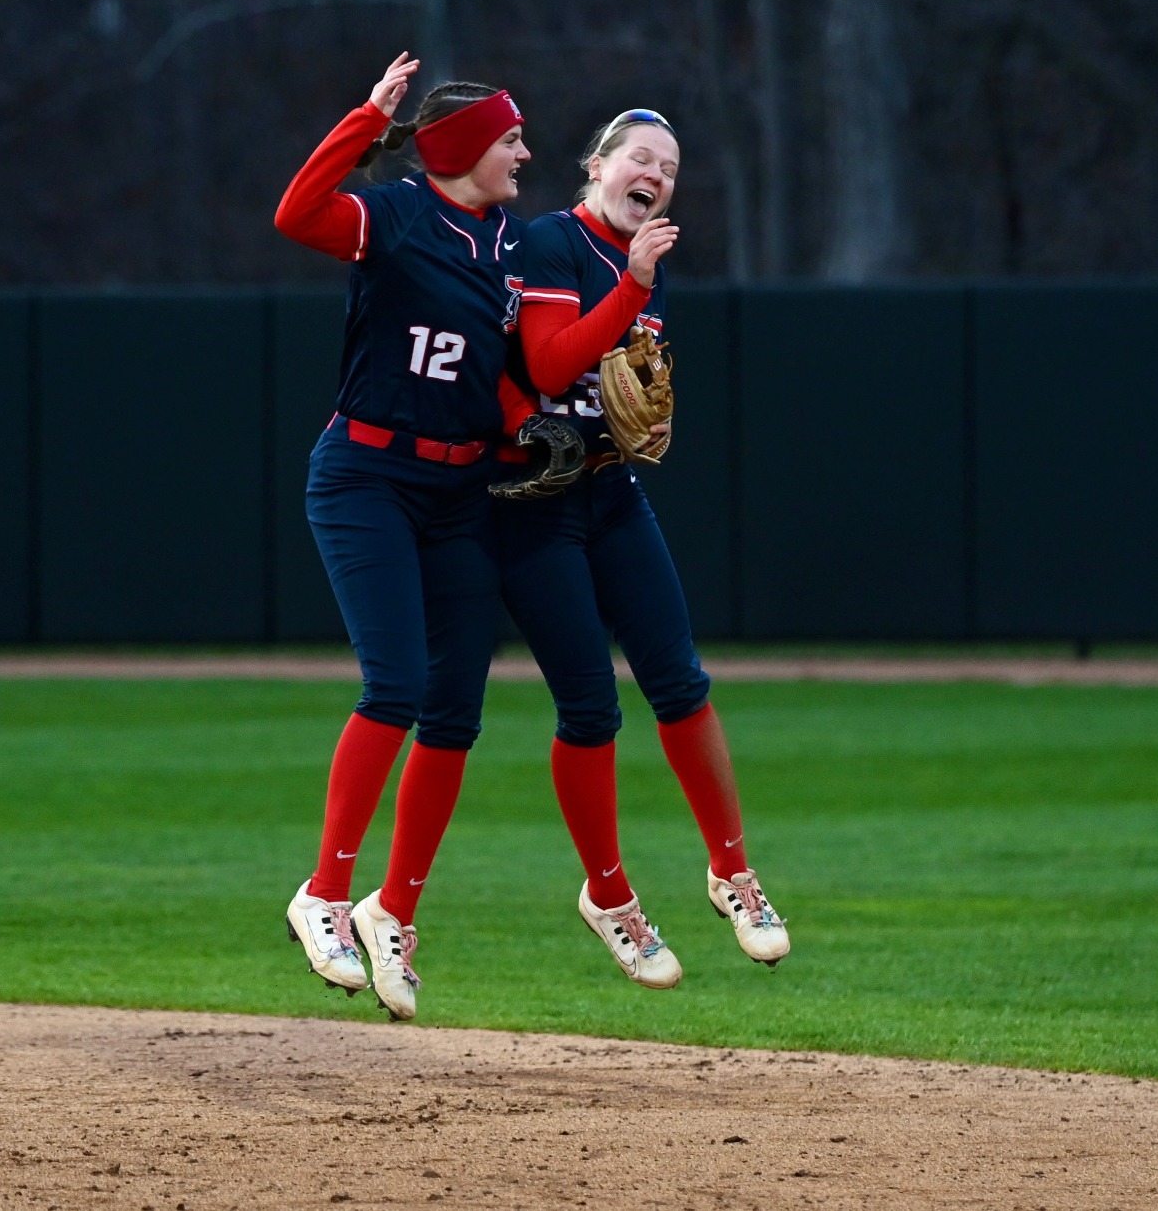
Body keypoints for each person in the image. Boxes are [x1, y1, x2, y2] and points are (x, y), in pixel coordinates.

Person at [496, 109, 790, 988]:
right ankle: (611, 897)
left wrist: (637, 301)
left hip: (609, 492)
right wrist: (630, 288)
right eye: (640, 158)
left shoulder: (644, 272)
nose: (656, 174)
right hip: (535, 505)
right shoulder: (553, 243)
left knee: (679, 680)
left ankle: (733, 872)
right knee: (591, 708)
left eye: (668, 166)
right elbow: (548, 369)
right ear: (597, 166)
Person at [273, 51, 534, 1022]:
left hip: (459, 486)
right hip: (367, 476)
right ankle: (325, 894)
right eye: (510, 137)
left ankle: (394, 913)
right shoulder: (392, 215)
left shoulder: (513, 240)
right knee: (396, 685)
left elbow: (504, 362)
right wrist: (365, 122)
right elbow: (297, 214)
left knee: (456, 705)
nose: (524, 151)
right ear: (465, 146)